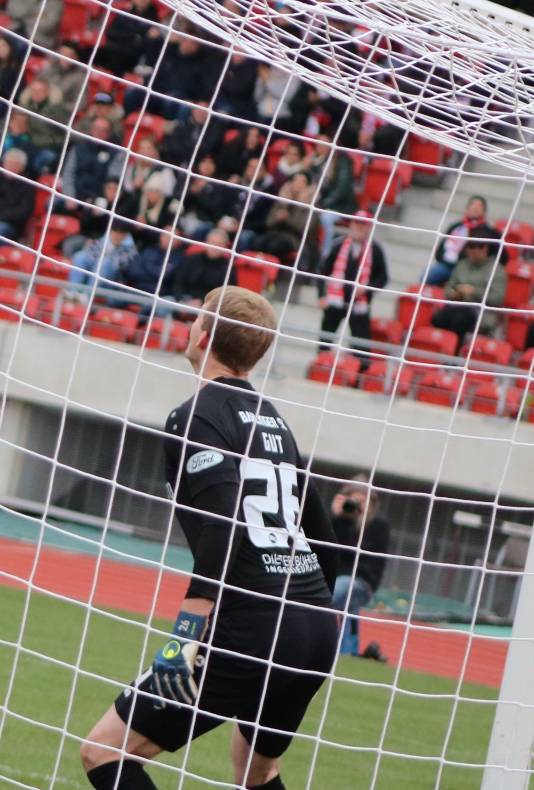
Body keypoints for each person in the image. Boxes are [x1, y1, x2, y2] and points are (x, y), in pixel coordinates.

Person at [80, 287, 340, 790]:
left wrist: (185, 634)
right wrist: (315, 612)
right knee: (258, 772)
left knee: (104, 752)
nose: (191, 323)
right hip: (313, 626)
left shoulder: (196, 415)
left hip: (253, 625)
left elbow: (225, 523)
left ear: (204, 335)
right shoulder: (274, 420)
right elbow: (324, 537)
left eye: (197, 316)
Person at [322, 477, 390, 661]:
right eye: (353, 500)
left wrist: (356, 519)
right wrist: (334, 516)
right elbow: (322, 543)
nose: (356, 506)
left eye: (362, 501)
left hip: (361, 580)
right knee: (347, 603)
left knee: (329, 597)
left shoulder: (378, 524)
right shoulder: (340, 520)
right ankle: (347, 651)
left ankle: (321, 642)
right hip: (335, 578)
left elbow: (353, 554)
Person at [318, 211, 386, 348]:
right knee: (325, 341)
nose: (360, 227)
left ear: (370, 227)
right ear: (351, 224)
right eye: (357, 222)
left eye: (364, 224)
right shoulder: (338, 245)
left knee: (361, 345)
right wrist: (321, 296)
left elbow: (382, 278)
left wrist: (366, 289)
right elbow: (322, 272)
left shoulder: (376, 250)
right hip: (335, 301)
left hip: (360, 304)